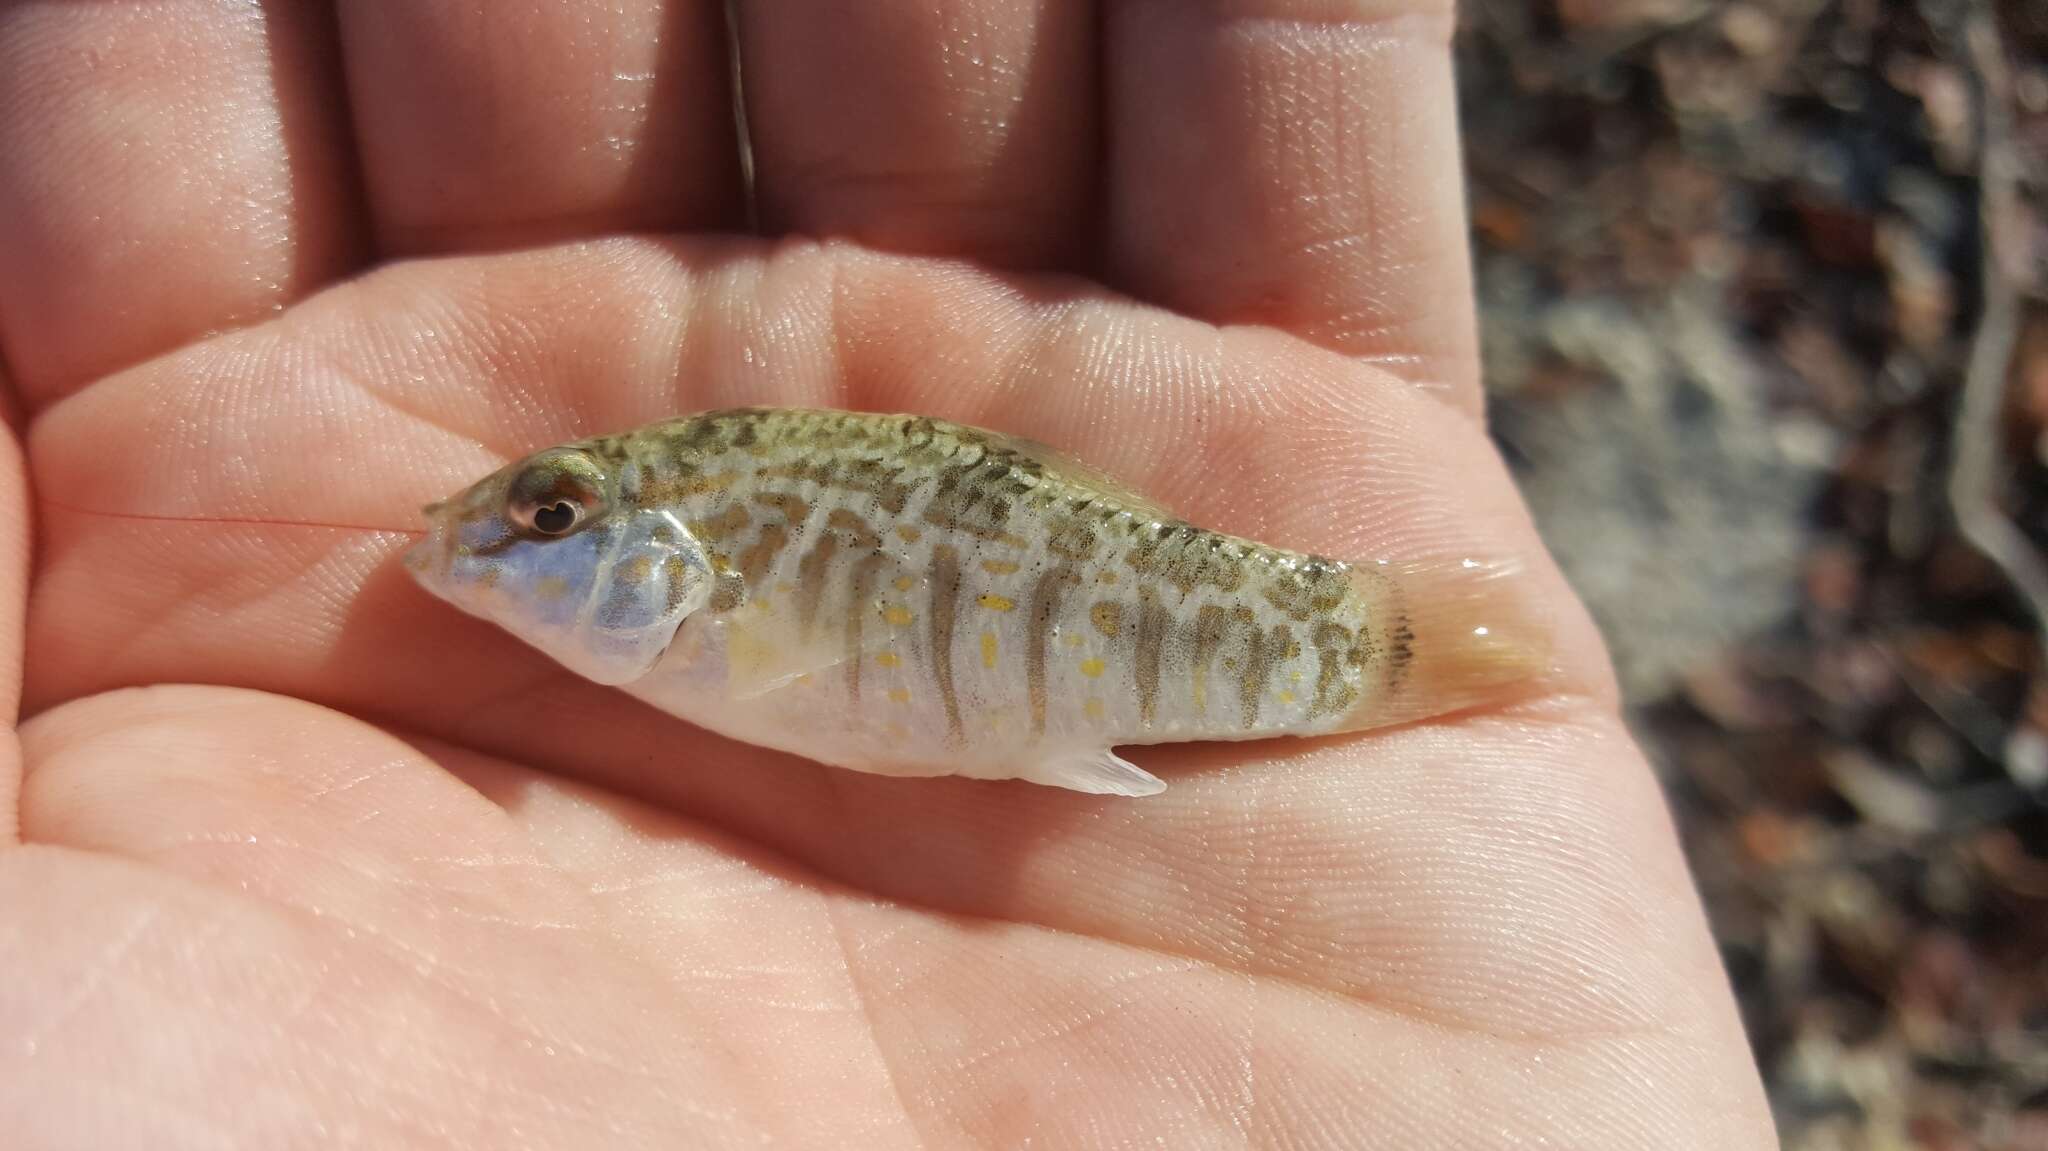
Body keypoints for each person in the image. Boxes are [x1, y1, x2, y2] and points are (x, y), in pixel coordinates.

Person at [0, 2, 1776, 1146]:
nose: (481, 548)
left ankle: (1351, 651)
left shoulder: (704, 600)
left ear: (652, 544)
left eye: (543, 520)